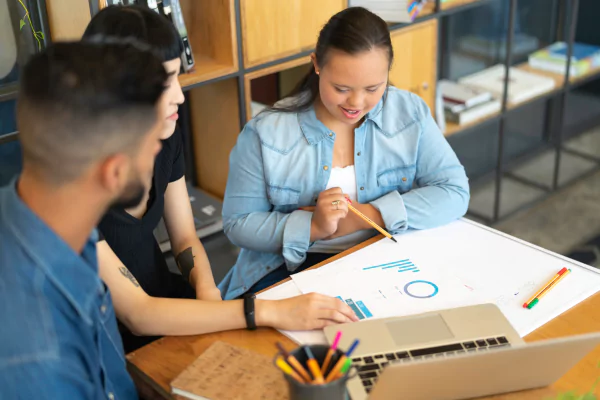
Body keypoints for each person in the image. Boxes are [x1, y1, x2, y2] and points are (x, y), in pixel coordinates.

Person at [83, 5, 358, 353]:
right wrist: (268, 311)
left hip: (172, 304)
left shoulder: (164, 139)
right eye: (164, 84)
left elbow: (183, 237)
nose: (180, 96)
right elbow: (137, 314)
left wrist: (206, 287)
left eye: (177, 78)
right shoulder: (74, 182)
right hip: (112, 341)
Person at [219, 7, 470, 300]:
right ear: (316, 64)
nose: (357, 102)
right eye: (341, 88)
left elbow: (454, 191)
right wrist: (312, 227)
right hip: (291, 268)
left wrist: (366, 215)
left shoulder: (409, 113)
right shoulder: (265, 133)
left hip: (381, 259)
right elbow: (238, 224)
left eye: (373, 88)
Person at [0, 40, 168, 399]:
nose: (159, 150)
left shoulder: (48, 216)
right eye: (153, 142)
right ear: (115, 172)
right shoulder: (38, 360)